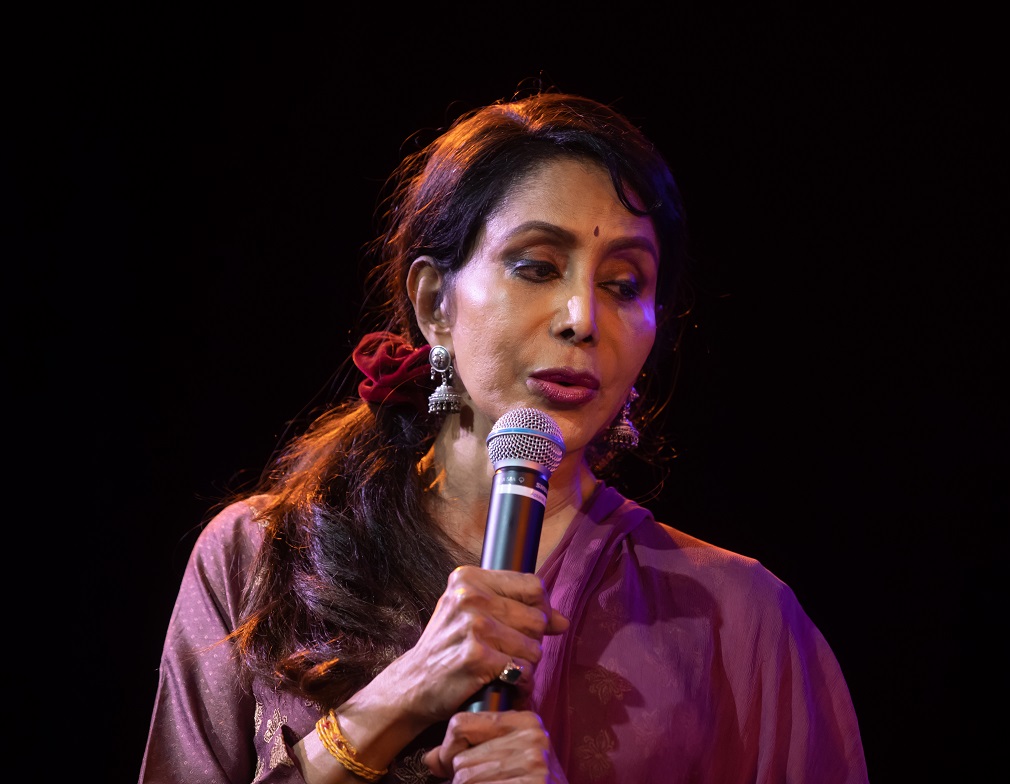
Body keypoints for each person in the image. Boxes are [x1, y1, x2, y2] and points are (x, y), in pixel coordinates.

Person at [139, 88, 869, 783]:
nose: (582, 318)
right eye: (538, 267)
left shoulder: (740, 619)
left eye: (623, 285)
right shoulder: (261, 559)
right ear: (435, 303)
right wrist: (393, 702)